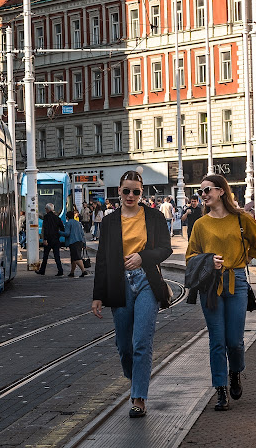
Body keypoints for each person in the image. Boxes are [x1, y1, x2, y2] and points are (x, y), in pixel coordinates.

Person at [91, 170, 172, 418]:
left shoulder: (155, 217)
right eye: (126, 190)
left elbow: (165, 249)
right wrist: (97, 295)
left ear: (142, 192)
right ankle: (136, 376)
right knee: (125, 346)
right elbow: (103, 260)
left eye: (136, 191)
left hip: (147, 281)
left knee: (141, 343)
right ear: (119, 191)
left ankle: (138, 398)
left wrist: (142, 257)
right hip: (119, 284)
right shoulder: (109, 221)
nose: (131, 195)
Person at [185, 174, 256, 411]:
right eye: (201, 192)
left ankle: (235, 372)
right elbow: (190, 257)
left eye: (207, 190)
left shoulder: (241, 218)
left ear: (221, 191)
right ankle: (220, 389)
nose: (203, 195)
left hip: (237, 281)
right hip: (210, 286)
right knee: (216, 340)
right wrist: (209, 262)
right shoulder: (201, 224)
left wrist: (243, 259)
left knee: (234, 341)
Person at [38, 203, 66, 276]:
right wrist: (58, 234)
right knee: (57, 256)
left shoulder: (46, 217)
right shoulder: (57, 218)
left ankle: (42, 270)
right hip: (56, 240)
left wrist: (45, 239)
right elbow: (62, 228)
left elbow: (46, 229)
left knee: (45, 256)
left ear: (47, 209)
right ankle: (60, 271)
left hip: (49, 240)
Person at [65, 210, 88, 278]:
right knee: (73, 258)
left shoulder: (68, 223)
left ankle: (84, 271)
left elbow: (67, 233)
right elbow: (82, 234)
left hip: (73, 242)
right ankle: (72, 272)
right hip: (80, 241)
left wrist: (59, 232)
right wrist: (84, 243)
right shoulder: (78, 223)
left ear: (67, 217)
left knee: (77, 257)